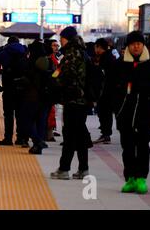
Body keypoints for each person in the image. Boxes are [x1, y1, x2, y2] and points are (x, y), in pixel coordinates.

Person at [111, 31, 150, 194]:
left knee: (143, 146)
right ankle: (130, 179)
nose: (136, 46)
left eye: (139, 43)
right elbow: (111, 88)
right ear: (128, 46)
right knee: (127, 147)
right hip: (125, 113)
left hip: (145, 112)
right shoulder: (120, 64)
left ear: (143, 45)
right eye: (133, 43)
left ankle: (142, 178)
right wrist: (116, 108)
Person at [50, 26, 91, 180]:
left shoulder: (71, 54)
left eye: (61, 39)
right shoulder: (82, 52)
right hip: (82, 100)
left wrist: (54, 82)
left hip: (73, 100)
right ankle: (83, 168)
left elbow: (66, 77)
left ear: (67, 39)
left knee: (70, 135)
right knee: (80, 136)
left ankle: (64, 168)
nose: (60, 42)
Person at [0, 36, 29, 146]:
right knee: (21, 115)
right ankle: (21, 139)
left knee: (9, 115)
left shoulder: (6, 51)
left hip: (9, 87)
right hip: (22, 88)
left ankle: (8, 139)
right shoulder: (25, 51)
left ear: (8, 42)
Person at [92, 38, 117, 144]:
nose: (95, 50)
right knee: (105, 113)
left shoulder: (105, 58)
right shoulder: (110, 56)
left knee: (104, 113)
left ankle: (106, 134)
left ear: (98, 47)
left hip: (105, 91)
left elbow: (102, 76)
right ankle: (106, 134)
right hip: (108, 90)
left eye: (95, 47)